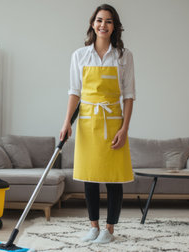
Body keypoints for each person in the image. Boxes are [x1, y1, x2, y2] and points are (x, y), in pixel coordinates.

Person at [60, 4, 135, 244]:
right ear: (93, 24)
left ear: (115, 27)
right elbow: (75, 92)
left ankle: (109, 229)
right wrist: (67, 123)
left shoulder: (124, 56)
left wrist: (124, 129)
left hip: (113, 122)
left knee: (113, 178)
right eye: (100, 20)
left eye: (109, 21)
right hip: (87, 123)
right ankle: (93, 227)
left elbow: (129, 96)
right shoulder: (79, 55)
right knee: (90, 177)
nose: (103, 25)